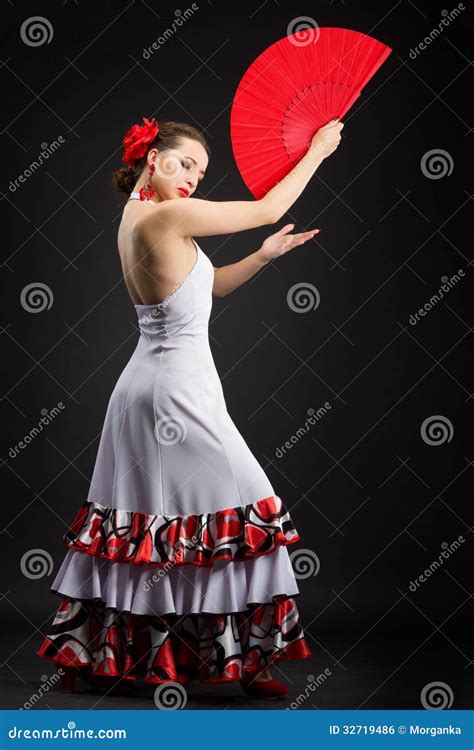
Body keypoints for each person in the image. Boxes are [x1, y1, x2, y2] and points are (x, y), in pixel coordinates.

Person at [36, 116, 344, 700]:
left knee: (143, 525)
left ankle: (94, 657)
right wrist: (319, 152)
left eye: (200, 171)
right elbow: (269, 204)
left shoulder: (141, 217)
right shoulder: (166, 215)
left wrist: (263, 256)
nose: (192, 179)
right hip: (174, 394)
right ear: (152, 159)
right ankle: (238, 661)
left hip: (151, 390)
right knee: (244, 511)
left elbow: (210, 287)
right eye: (182, 163)